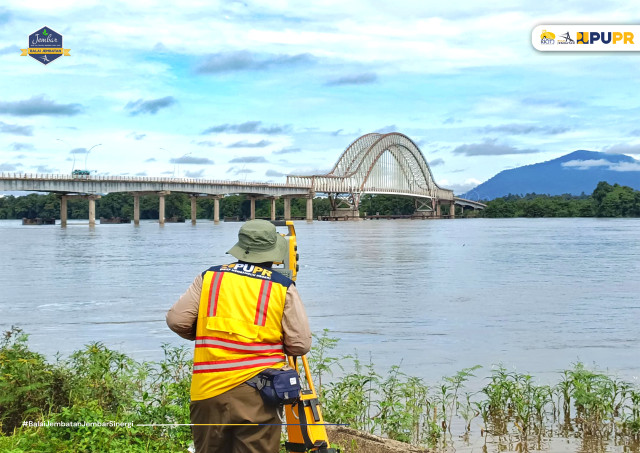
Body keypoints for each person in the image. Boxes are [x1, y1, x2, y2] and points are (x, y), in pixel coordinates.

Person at [166, 219, 311, 453]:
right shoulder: (282, 286)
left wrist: (204, 334)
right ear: (274, 253)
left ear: (240, 247)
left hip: (208, 391)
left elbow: (177, 320)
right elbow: (300, 344)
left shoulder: (209, 277)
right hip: (259, 392)